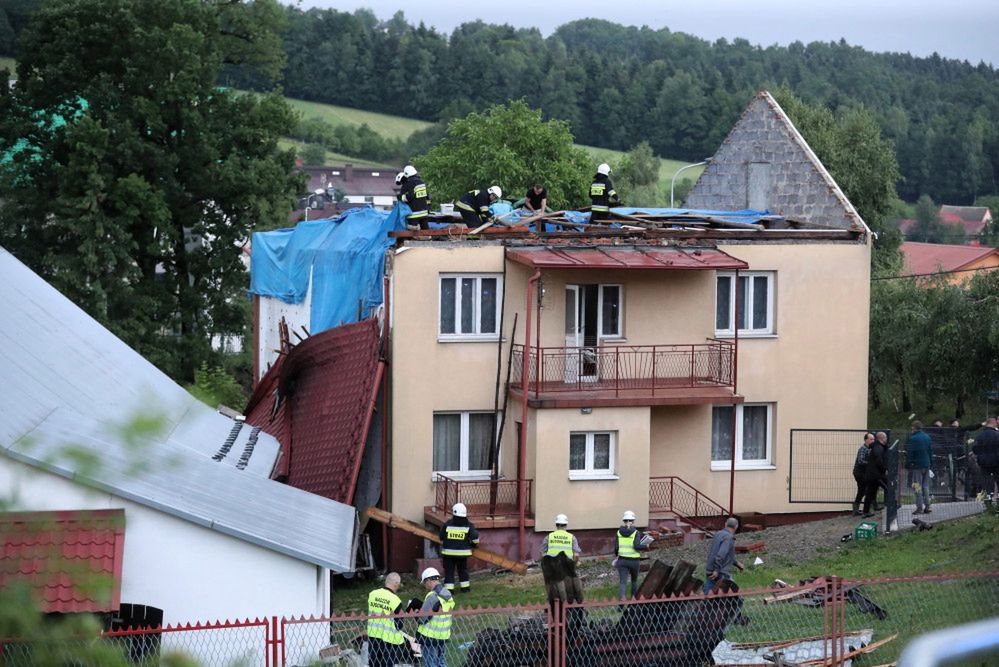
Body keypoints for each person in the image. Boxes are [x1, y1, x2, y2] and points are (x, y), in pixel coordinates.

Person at [415, 567, 454, 667]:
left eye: (424, 582)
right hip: (443, 635)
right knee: (441, 662)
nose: (425, 585)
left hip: (430, 637)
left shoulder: (432, 596)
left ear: (428, 580)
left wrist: (415, 612)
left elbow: (422, 619)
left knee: (430, 663)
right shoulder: (447, 594)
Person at [439, 502, 479, 593]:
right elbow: (475, 537)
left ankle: (449, 590)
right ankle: (465, 588)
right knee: (462, 571)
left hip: (448, 554)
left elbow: (441, 536)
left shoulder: (447, 524)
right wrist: (474, 545)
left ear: (454, 512)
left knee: (449, 571)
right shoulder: (469, 525)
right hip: (462, 554)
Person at [367, 572, 405, 667]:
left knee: (374, 663)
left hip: (373, 637)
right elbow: (399, 624)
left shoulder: (372, 595)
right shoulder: (395, 600)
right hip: (389, 641)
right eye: (398, 584)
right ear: (396, 584)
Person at [613, 510, 647, 599]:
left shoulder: (618, 532)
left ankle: (621, 606)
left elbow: (616, 548)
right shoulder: (636, 532)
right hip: (634, 561)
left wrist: (617, 557)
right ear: (633, 521)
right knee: (634, 581)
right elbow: (636, 546)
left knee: (623, 583)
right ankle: (633, 604)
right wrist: (646, 546)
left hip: (622, 561)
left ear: (624, 521)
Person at [703, 517, 743, 594]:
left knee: (708, 594)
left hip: (710, 569)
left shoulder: (718, 534)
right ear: (736, 527)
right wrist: (716, 570)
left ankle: (704, 604)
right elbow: (721, 554)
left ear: (725, 524)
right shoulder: (728, 537)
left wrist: (737, 564)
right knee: (734, 595)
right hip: (720, 572)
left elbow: (724, 554)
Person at [905, 420, 933, 514]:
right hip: (927, 464)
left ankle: (919, 507)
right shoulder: (927, 437)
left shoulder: (913, 439)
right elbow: (930, 451)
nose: (911, 429)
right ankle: (928, 506)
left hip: (917, 465)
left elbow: (910, 453)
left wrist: (908, 464)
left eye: (912, 427)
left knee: (917, 486)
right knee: (925, 486)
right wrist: (931, 462)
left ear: (914, 428)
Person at [972, 417, 999, 498]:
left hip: (983, 461)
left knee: (986, 480)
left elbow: (975, 448)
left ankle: (989, 496)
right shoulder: (997, 435)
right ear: (994, 423)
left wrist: (980, 455)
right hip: (996, 461)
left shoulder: (979, 436)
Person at [864, 430, 888, 517]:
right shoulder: (878, 447)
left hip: (872, 474)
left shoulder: (877, 446)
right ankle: (892, 505)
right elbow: (879, 460)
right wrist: (884, 469)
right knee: (888, 487)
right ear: (882, 438)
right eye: (885, 437)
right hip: (876, 474)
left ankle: (865, 512)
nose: (887, 439)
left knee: (870, 492)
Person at [399, 165, 430, 230]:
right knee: (426, 231)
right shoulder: (422, 182)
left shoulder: (410, 183)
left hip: (414, 214)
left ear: (406, 174)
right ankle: (429, 239)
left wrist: (400, 197)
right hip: (424, 213)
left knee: (411, 233)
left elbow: (410, 197)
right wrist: (428, 209)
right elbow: (427, 197)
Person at [852, 433, 874, 515]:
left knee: (862, 490)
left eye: (873, 439)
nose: (873, 441)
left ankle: (856, 509)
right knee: (865, 490)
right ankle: (866, 509)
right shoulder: (863, 449)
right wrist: (870, 463)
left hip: (863, 473)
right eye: (871, 439)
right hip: (859, 473)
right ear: (866, 440)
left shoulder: (869, 449)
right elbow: (860, 461)